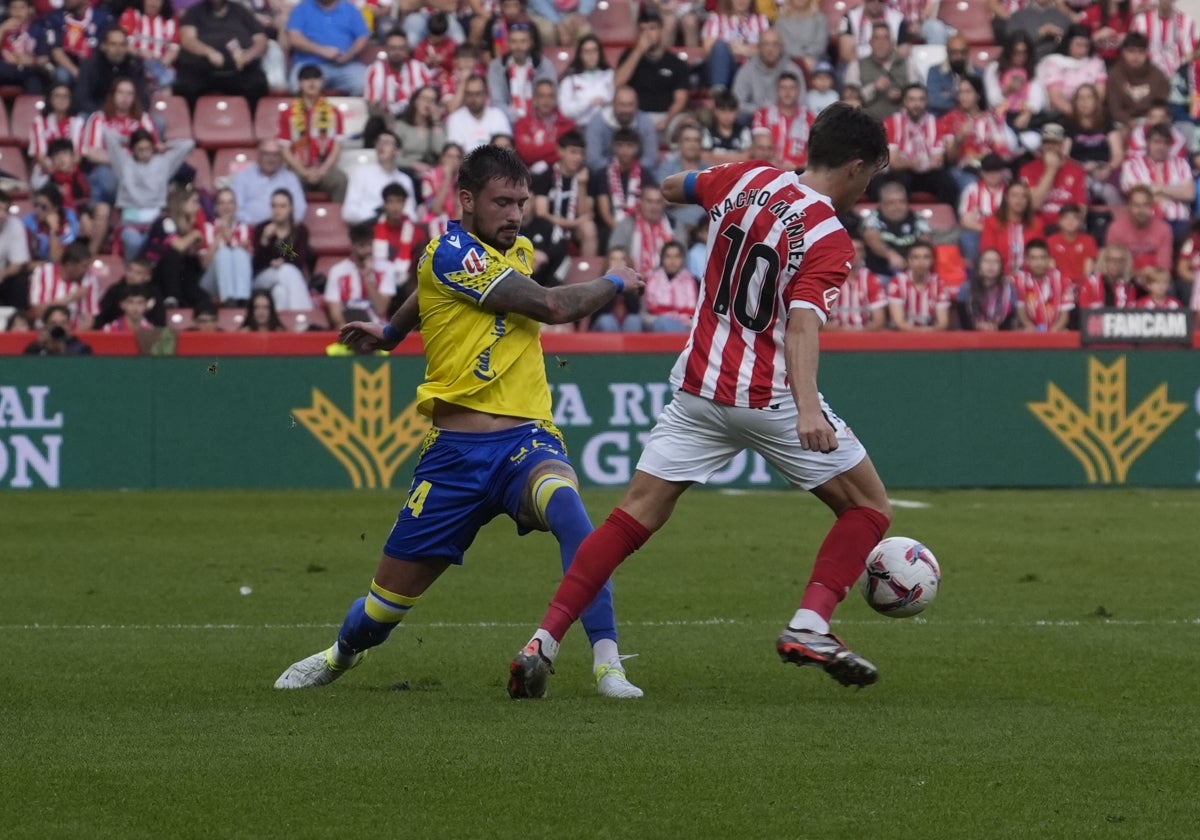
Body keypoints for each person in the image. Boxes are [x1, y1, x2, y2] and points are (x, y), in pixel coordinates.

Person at [508, 103, 893, 699]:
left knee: (631, 516)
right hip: (768, 396)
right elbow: (801, 324)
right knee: (869, 507)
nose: (869, 187)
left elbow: (669, 186)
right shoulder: (829, 236)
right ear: (856, 164)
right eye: (872, 175)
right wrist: (810, 409)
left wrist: (719, 195)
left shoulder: (745, 176)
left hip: (698, 386)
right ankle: (811, 623)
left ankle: (543, 640)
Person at [274, 144, 649, 699]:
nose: (515, 215)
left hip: (526, 441)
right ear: (468, 199)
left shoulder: (512, 248)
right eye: (503, 202)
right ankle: (341, 653)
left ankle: (608, 663)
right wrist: (615, 280)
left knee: (572, 514)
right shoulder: (452, 254)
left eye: (522, 202)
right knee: (381, 611)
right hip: (453, 458)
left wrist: (390, 332)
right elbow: (551, 307)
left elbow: (419, 294)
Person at [105, 127, 195, 257]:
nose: (145, 153)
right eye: (140, 149)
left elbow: (188, 144)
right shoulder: (123, 163)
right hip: (130, 222)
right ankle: (134, 274)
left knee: (166, 245)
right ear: (133, 150)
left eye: (148, 149)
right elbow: (109, 135)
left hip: (156, 222)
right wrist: (127, 140)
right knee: (135, 243)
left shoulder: (164, 163)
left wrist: (165, 145)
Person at [176, 0, 269, 108]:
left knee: (258, 84)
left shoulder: (242, 11)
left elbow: (261, 40)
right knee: (185, 85)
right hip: (203, 69)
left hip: (240, 70)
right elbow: (187, 39)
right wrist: (208, 52)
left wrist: (248, 56)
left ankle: (251, 123)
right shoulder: (194, 12)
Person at [277, 65, 349, 202]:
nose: (312, 83)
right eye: (307, 79)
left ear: (322, 83)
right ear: (299, 84)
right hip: (298, 168)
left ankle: (335, 222)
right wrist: (303, 172)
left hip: (325, 167)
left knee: (341, 180)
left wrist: (322, 170)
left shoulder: (333, 112)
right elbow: (285, 149)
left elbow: (337, 146)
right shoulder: (288, 113)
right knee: (288, 181)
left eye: (316, 79)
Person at [881, 84, 957, 206]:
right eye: (912, 100)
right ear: (905, 101)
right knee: (900, 179)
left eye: (921, 99)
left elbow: (938, 161)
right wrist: (911, 164)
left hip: (928, 173)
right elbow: (893, 162)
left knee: (946, 181)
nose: (917, 104)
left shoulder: (936, 123)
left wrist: (926, 163)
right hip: (903, 172)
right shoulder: (892, 123)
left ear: (926, 101)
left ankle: (948, 219)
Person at [142, 184, 213, 310]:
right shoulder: (165, 221)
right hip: (156, 275)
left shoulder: (189, 226)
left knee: (192, 266)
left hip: (181, 278)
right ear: (181, 203)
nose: (198, 206)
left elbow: (198, 260)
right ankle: (172, 297)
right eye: (194, 202)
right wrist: (194, 234)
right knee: (173, 255)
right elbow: (178, 246)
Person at [1119, 124, 1195, 241]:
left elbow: (1189, 194)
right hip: (1146, 222)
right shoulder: (1131, 166)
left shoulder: (1182, 164)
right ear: (1148, 143)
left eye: (1165, 143)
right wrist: (1175, 192)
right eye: (1157, 142)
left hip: (1178, 222)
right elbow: (1137, 196)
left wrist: (1158, 188)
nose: (1161, 147)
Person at [532, 129, 597, 258]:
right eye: (573, 152)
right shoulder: (546, 175)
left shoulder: (587, 176)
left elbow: (585, 214)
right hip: (549, 226)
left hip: (575, 230)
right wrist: (574, 222)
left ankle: (588, 271)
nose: (578, 158)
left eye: (581, 154)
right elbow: (541, 213)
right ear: (560, 151)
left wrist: (582, 185)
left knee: (589, 228)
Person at [285, 0, 369, 95]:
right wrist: (322, 51)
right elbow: (294, 38)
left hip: (345, 65)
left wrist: (348, 55)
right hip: (310, 64)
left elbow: (363, 37)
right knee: (296, 84)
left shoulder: (350, 9)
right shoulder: (302, 8)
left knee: (366, 83)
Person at [324, 221, 396, 328]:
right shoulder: (337, 272)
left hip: (379, 331)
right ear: (352, 246)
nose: (367, 250)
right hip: (349, 330)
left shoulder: (386, 269)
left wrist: (367, 277)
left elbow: (381, 309)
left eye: (370, 245)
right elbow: (336, 316)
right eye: (362, 246)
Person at [251, 188, 314, 311]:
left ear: (291, 208)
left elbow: (298, 261)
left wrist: (279, 244)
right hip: (262, 279)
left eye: (282, 206)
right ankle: (303, 316)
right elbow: (256, 264)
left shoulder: (300, 231)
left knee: (280, 292)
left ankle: (284, 328)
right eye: (274, 206)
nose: (277, 210)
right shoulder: (261, 228)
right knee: (286, 270)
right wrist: (264, 240)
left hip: (287, 276)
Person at [486, 20, 556, 125]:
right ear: (507, 43)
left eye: (523, 41)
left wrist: (531, 121)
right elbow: (498, 101)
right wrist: (519, 122)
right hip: (507, 121)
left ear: (530, 43)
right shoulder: (496, 66)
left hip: (539, 120)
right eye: (513, 42)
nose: (518, 46)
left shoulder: (544, 65)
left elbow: (549, 97)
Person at [341, 131, 419, 224]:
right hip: (367, 229)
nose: (381, 146)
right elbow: (349, 212)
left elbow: (411, 214)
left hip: (396, 230)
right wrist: (377, 218)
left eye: (386, 143)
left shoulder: (404, 180)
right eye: (379, 142)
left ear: (397, 151)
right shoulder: (361, 173)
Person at [1020, 122, 1087, 229]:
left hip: (1066, 229)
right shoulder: (1028, 169)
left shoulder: (1077, 170)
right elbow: (1034, 205)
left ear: (1062, 145)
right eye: (1047, 142)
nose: (1050, 146)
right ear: (1041, 144)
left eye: (1055, 143)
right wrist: (1051, 170)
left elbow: (1081, 210)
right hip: (1037, 227)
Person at [732, 27, 807, 122]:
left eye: (774, 44)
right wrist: (762, 111)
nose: (770, 49)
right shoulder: (747, 70)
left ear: (781, 47)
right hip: (755, 118)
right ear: (758, 47)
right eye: (766, 44)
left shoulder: (793, 70)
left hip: (786, 119)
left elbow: (802, 103)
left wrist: (779, 112)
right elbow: (736, 103)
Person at [842, 22, 913, 122]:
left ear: (893, 43)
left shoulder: (907, 64)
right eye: (876, 38)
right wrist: (873, 88)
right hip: (866, 125)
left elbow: (918, 93)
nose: (881, 43)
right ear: (870, 42)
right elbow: (849, 101)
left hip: (901, 125)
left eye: (885, 38)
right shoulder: (856, 65)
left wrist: (902, 95)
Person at [860, 179, 931, 278]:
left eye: (901, 202)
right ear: (881, 204)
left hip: (910, 273)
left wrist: (912, 262)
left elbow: (925, 242)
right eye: (891, 203)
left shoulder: (917, 218)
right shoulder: (873, 218)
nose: (897, 206)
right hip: (879, 273)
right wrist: (890, 254)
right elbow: (871, 238)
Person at [230, 140, 308, 227]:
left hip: (283, 231)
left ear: (281, 157)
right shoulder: (243, 177)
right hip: (250, 230)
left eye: (275, 155)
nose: (271, 159)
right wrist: (253, 224)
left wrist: (284, 226)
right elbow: (235, 209)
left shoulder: (290, 178)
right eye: (266, 154)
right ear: (259, 156)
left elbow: (300, 207)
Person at [584, 85, 659, 174]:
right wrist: (617, 172)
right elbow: (594, 159)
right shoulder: (597, 122)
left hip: (638, 174)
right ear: (613, 104)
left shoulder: (645, 122)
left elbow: (651, 158)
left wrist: (631, 172)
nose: (626, 110)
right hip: (604, 174)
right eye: (622, 105)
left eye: (630, 105)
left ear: (636, 105)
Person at [73, 25, 148, 115]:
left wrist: (125, 114)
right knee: (83, 117)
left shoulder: (134, 66)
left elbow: (143, 100)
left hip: (127, 114)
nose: (118, 49)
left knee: (158, 122)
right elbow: (81, 98)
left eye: (122, 45)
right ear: (103, 46)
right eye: (113, 44)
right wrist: (104, 114)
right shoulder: (90, 66)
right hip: (98, 112)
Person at [36, 0, 112, 86]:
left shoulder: (102, 17)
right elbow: (56, 51)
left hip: (94, 64)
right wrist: (77, 73)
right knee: (62, 75)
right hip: (68, 66)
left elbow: (107, 46)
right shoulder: (55, 17)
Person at [702, 0, 772, 92]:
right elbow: (709, 48)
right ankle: (719, 93)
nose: (741, 1)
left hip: (752, 69)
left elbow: (767, 51)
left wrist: (737, 49)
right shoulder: (716, 19)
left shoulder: (761, 21)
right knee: (720, 47)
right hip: (726, 68)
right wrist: (747, 50)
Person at [200, 187, 254, 305]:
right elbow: (204, 264)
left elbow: (249, 261)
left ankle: (241, 300)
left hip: (240, 282)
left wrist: (230, 236)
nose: (226, 207)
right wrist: (220, 234)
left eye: (230, 202)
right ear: (216, 207)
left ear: (235, 206)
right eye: (222, 203)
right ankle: (229, 301)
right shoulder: (208, 228)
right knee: (224, 253)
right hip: (212, 280)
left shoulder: (245, 228)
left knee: (239, 253)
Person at [751, 72, 814, 171]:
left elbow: (815, 154)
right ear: (777, 91)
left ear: (798, 91)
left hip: (800, 174)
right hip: (768, 170)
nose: (787, 92)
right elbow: (759, 148)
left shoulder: (810, 119)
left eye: (792, 88)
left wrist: (798, 167)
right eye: (783, 88)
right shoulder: (763, 114)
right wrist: (778, 165)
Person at [1105, 183, 1173, 273]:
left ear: (1151, 206)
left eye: (1145, 205)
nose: (1141, 210)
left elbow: (1164, 267)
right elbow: (1112, 266)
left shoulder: (1164, 229)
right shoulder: (1116, 229)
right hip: (1125, 278)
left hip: (1154, 280)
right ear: (1129, 206)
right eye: (1136, 205)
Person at [979, 180, 1045, 275]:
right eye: (1015, 195)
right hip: (1000, 276)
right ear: (1006, 198)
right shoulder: (992, 222)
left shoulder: (1036, 223)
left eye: (1024, 196)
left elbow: (1039, 255)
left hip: (1029, 276)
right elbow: (989, 254)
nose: (1019, 200)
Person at [1105, 32, 1169, 128]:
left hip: (1151, 121)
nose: (1136, 56)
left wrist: (1150, 120)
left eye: (1141, 52)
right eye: (1131, 51)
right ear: (1123, 52)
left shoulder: (1157, 74)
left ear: (1147, 53)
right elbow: (1114, 108)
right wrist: (1128, 121)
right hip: (1122, 122)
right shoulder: (1115, 74)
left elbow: (1162, 104)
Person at [29, 84, 85, 188]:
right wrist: (56, 172)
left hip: (72, 171)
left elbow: (78, 153)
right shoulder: (39, 122)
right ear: (50, 99)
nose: (61, 100)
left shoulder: (78, 122)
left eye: (65, 96)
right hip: (47, 171)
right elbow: (39, 155)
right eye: (57, 96)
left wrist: (67, 170)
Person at [886, 241, 951, 331]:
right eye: (916, 257)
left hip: (931, 337)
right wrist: (923, 333)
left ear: (932, 261)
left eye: (926, 257)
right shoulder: (897, 282)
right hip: (902, 337)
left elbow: (942, 323)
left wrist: (927, 334)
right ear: (908, 261)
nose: (921, 262)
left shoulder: (939, 284)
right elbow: (899, 323)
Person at [513, 79, 575, 172]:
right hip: (530, 177)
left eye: (550, 96)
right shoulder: (522, 123)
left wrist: (536, 148)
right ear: (535, 98)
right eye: (542, 96)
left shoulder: (567, 125)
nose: (546, 100)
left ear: (555, 99)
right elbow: (524, 154)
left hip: (558, 173)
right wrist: (556, 147)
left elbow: (569, 155)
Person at [826, 236, 887, 330]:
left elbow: (879, 321)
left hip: (864, 337)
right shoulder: (828, 278)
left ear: (864, 254)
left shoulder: (871, 279)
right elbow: (816, 320)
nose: (854, 253)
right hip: (832, 335)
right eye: (850, 248)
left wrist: (857, 335)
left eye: (859, 250)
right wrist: (844, 333)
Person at [372, 182, 421, 299]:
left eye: (399, 201)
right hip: (378, 283)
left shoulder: (417, 232)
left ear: (404, 204)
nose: (395, 207)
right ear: (384, 204)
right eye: (391, 202)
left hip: (406, 286)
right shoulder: (372, 230)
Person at [119, 0, 180, 92]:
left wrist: (164, 61)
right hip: (135, 66)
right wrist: (139, 52)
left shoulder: (171, 20)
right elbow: (122, 43)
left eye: (157, 1)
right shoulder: (132, 14)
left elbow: (174, 47)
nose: (153, 3)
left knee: (167, 87)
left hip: (161, 69)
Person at [1014, 239, 1073, 331]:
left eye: (1043, 258)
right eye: (1034, 258)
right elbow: (1020, 310)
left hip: (1056, 332)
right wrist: (1029, 326)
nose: (1039, 262)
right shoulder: (1019, 280)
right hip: (1029, 331)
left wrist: (1054, 331)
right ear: (1027, 260)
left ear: (1049, 259)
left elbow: (1065, 314)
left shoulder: (1062, 280)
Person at [445, 74, 513, 152]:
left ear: (485, 94)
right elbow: (455, 151)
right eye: (469, 94)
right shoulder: (455, 118)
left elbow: (506, 147)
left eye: (477, 94)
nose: (473, 99)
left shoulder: (497, 115)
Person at [557, 34, 614, 128]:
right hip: (580, 127)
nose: (591, 55)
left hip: (607, 126)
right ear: (580, 55)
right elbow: (565, 111)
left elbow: (615, 101)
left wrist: (604, 102)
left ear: (600, 53)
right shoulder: (569, 80)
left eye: (594, 51)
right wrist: (589, 103)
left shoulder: (610, 75)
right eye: (587, 52)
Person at [640, 240, 696, 333]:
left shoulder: (691, 281)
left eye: (676, 256)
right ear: (662, 259)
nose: (672, 261)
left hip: (686, 324)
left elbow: (692, 312)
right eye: (668, 256)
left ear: (683, 259)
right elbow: (650, 309)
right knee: (662, 323)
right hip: (655, 321)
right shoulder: (652, 279)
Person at [94, 256, 163, 329]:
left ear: (147, 277)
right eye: (130, 270)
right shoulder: (114, 290)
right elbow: (101, 316)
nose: (131, 275)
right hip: (114, 333)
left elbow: (160, 321)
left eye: (138, 273)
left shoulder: (154, 294)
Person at [956, 248, 1017, 330]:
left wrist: (995, 326)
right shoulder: (966, 288)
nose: (991, 265)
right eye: (986, 261)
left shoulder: (1009, 289)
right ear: (979, 265)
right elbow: (963, 319)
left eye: (996, 261)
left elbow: (1010, 320)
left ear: (1001, 267)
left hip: (1001, 335)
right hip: (971, 337)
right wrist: (977, 326)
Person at [393, 85, 446, 176]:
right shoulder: (401, 126)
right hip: (405, 171)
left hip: (429, 172)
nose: (428, 104)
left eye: (432, 100)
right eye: (425, 99)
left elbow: (439, 150)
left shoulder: (437, 127)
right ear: (415, 101)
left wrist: (436, 121)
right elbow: (394, 156)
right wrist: (414, 165)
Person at [0, 0, 50, 94]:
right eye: (14, 8)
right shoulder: (2, 25)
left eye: (22, 8)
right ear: (8, 11)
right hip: (4, 69)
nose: (17, 11)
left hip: (28, 70)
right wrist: (2, 30)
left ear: (30, 10)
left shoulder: (37, 29)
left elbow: (45, 58)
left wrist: (32, 61)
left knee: (35, 82)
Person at [1045, 203, 1097, 288]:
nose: (1070, 222)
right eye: (1066, 218)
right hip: (1059, 286)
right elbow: (1052, 270)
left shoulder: (1088, 240)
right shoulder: (1050, 241)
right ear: (1059, 221)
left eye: (1075, 218)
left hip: (1081, 286)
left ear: (1080, 222)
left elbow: (1088, 270)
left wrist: (1081, 286)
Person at [926, 34, 978, 117]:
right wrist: (963, 99)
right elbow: (933, 100)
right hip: (941, 119)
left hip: (970, 120)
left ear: (968, 52)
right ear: (947, 52)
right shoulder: (934, 72)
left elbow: (981, 102)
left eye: (962, 52)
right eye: (954, 52)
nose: (958, 56)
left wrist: (947, 95)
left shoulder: (978, 73)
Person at [776, 0, 831, 73]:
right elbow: (785, 45)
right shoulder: (780, 21)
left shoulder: (820, 19)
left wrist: (809, 56)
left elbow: (820, 43)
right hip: (789, 62)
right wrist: (802, 60)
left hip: (815, 60)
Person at [700, 90, 753, 166]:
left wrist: (715, 157)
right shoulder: (708, 131)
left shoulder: (744, 131)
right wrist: (736, 157)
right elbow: (705, 157)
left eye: (731, 111)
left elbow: (746, 157)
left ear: (737, 112)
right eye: (723, 110)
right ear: (715, 111)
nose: (727, 115)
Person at [1078, 243, 1137, 308]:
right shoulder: (1092, 283)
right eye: (1111, 260)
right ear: (1104, 261)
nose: (1116, 264)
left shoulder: (1131, 285)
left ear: (1126, 263)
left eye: (1120, 260)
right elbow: (1086, 310)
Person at [22, 303, 93, 355]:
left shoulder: (82, 349)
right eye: (53, 323)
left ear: (69, 326)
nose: (59, 326)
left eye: (63, 323)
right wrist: (43, 347)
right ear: (46, 326)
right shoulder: (34, 349)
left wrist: (62, 351)